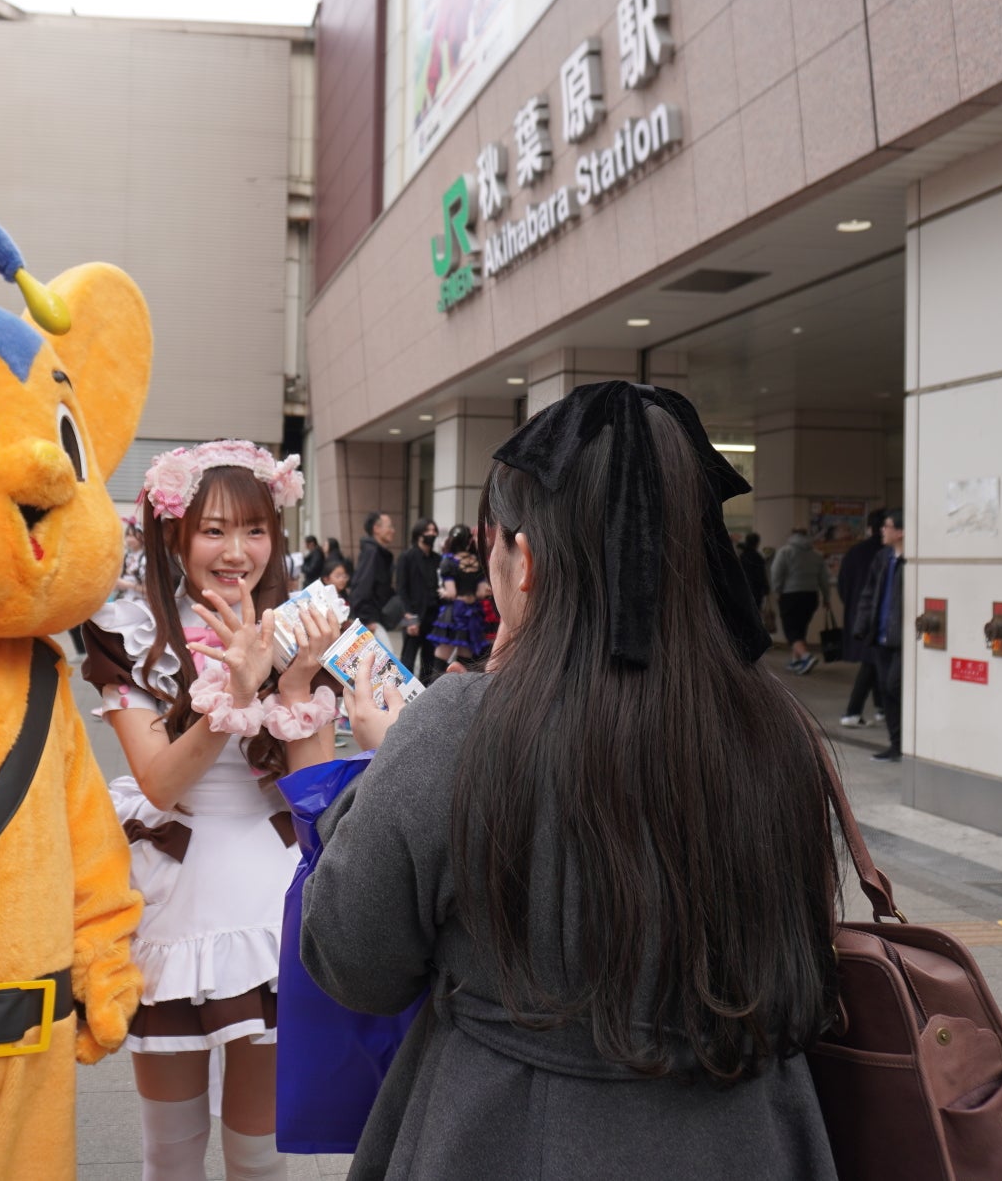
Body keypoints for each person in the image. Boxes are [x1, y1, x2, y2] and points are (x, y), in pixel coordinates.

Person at [300, 382, 837, 1180]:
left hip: (501, 1134)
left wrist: (385, 769)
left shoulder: (459, 728)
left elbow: (355, 960)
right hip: (749, 1137)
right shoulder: (777, 726)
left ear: (529, 559)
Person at [80, 441, 339, 1181]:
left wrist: (292, 687)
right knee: (172, 1144)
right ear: (174, 534)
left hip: (268, 883)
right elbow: (159, 782)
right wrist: (230, 700)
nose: (237, 552)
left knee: (259, 1147)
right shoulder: (129, 630)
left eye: (255, 530)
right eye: (214, 530)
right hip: (177, 877)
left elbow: (312, 789)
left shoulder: (299, 622)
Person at [854, 510, 906, 761]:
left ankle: (907, 742)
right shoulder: (883, 557)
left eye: (887, 527)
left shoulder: (912, 561)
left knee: (893, 685)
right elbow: (869, 593)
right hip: (881, 634)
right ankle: (896, 744)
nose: (882, 531)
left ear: (901, 531)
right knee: (886, 692)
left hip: (902, 638)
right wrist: (862, 625)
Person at [835, 511, 888, 728]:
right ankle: (853, 712)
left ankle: (881, 708)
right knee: (871, 662)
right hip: (878, 619)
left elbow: (842, 586)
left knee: (873, 661)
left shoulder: (855, 552)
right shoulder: (887, 554)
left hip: (858, 616)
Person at [768, 527, 832, 674]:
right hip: (811, 596)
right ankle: (796, 661)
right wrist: (827, 598)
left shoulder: (785, 552)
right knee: (801, 629)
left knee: (791, 630)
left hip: (790, 595)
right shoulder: (817, 555)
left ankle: (806, 656)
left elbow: (776, 572)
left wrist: (777, 590)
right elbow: (824, 579)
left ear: (792, 536)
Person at [428, 524, 489, 672]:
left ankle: (434, 692)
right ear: (469, 542)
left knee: (441, 659)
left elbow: (452, 593)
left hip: (454, 612)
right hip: (472, 613)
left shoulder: (448, 562)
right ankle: (461, 694)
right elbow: (482, 593)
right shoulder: (477, 562)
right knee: (465, 661)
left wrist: (442, 592)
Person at [393, 519, 440, 683]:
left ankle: (424, 694)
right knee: (408, 658)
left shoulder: (437, 559)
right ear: (419, 534)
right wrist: (410, 618)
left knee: (429, 659)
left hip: (433, 616)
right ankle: (403, 691)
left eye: (434, 531)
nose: (432, 534)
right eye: (428, 530)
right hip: (412, 614)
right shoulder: (407, 557)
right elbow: (402, 589)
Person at [347, 511, 398, 634]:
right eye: (389, 526)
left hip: (377, 617)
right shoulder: (372, 552)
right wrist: (367, 619)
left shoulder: (379, 553)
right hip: (371, 620)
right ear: (376, 529)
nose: (393, 530)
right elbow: (362, 586)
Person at [737, 531, 770, 629]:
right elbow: (761, 575)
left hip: (742, 590)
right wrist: (766, 588)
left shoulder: (742, 556)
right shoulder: (757, 557)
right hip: (756, 591)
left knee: (745, 614)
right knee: (755, 615)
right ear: (757, 543)